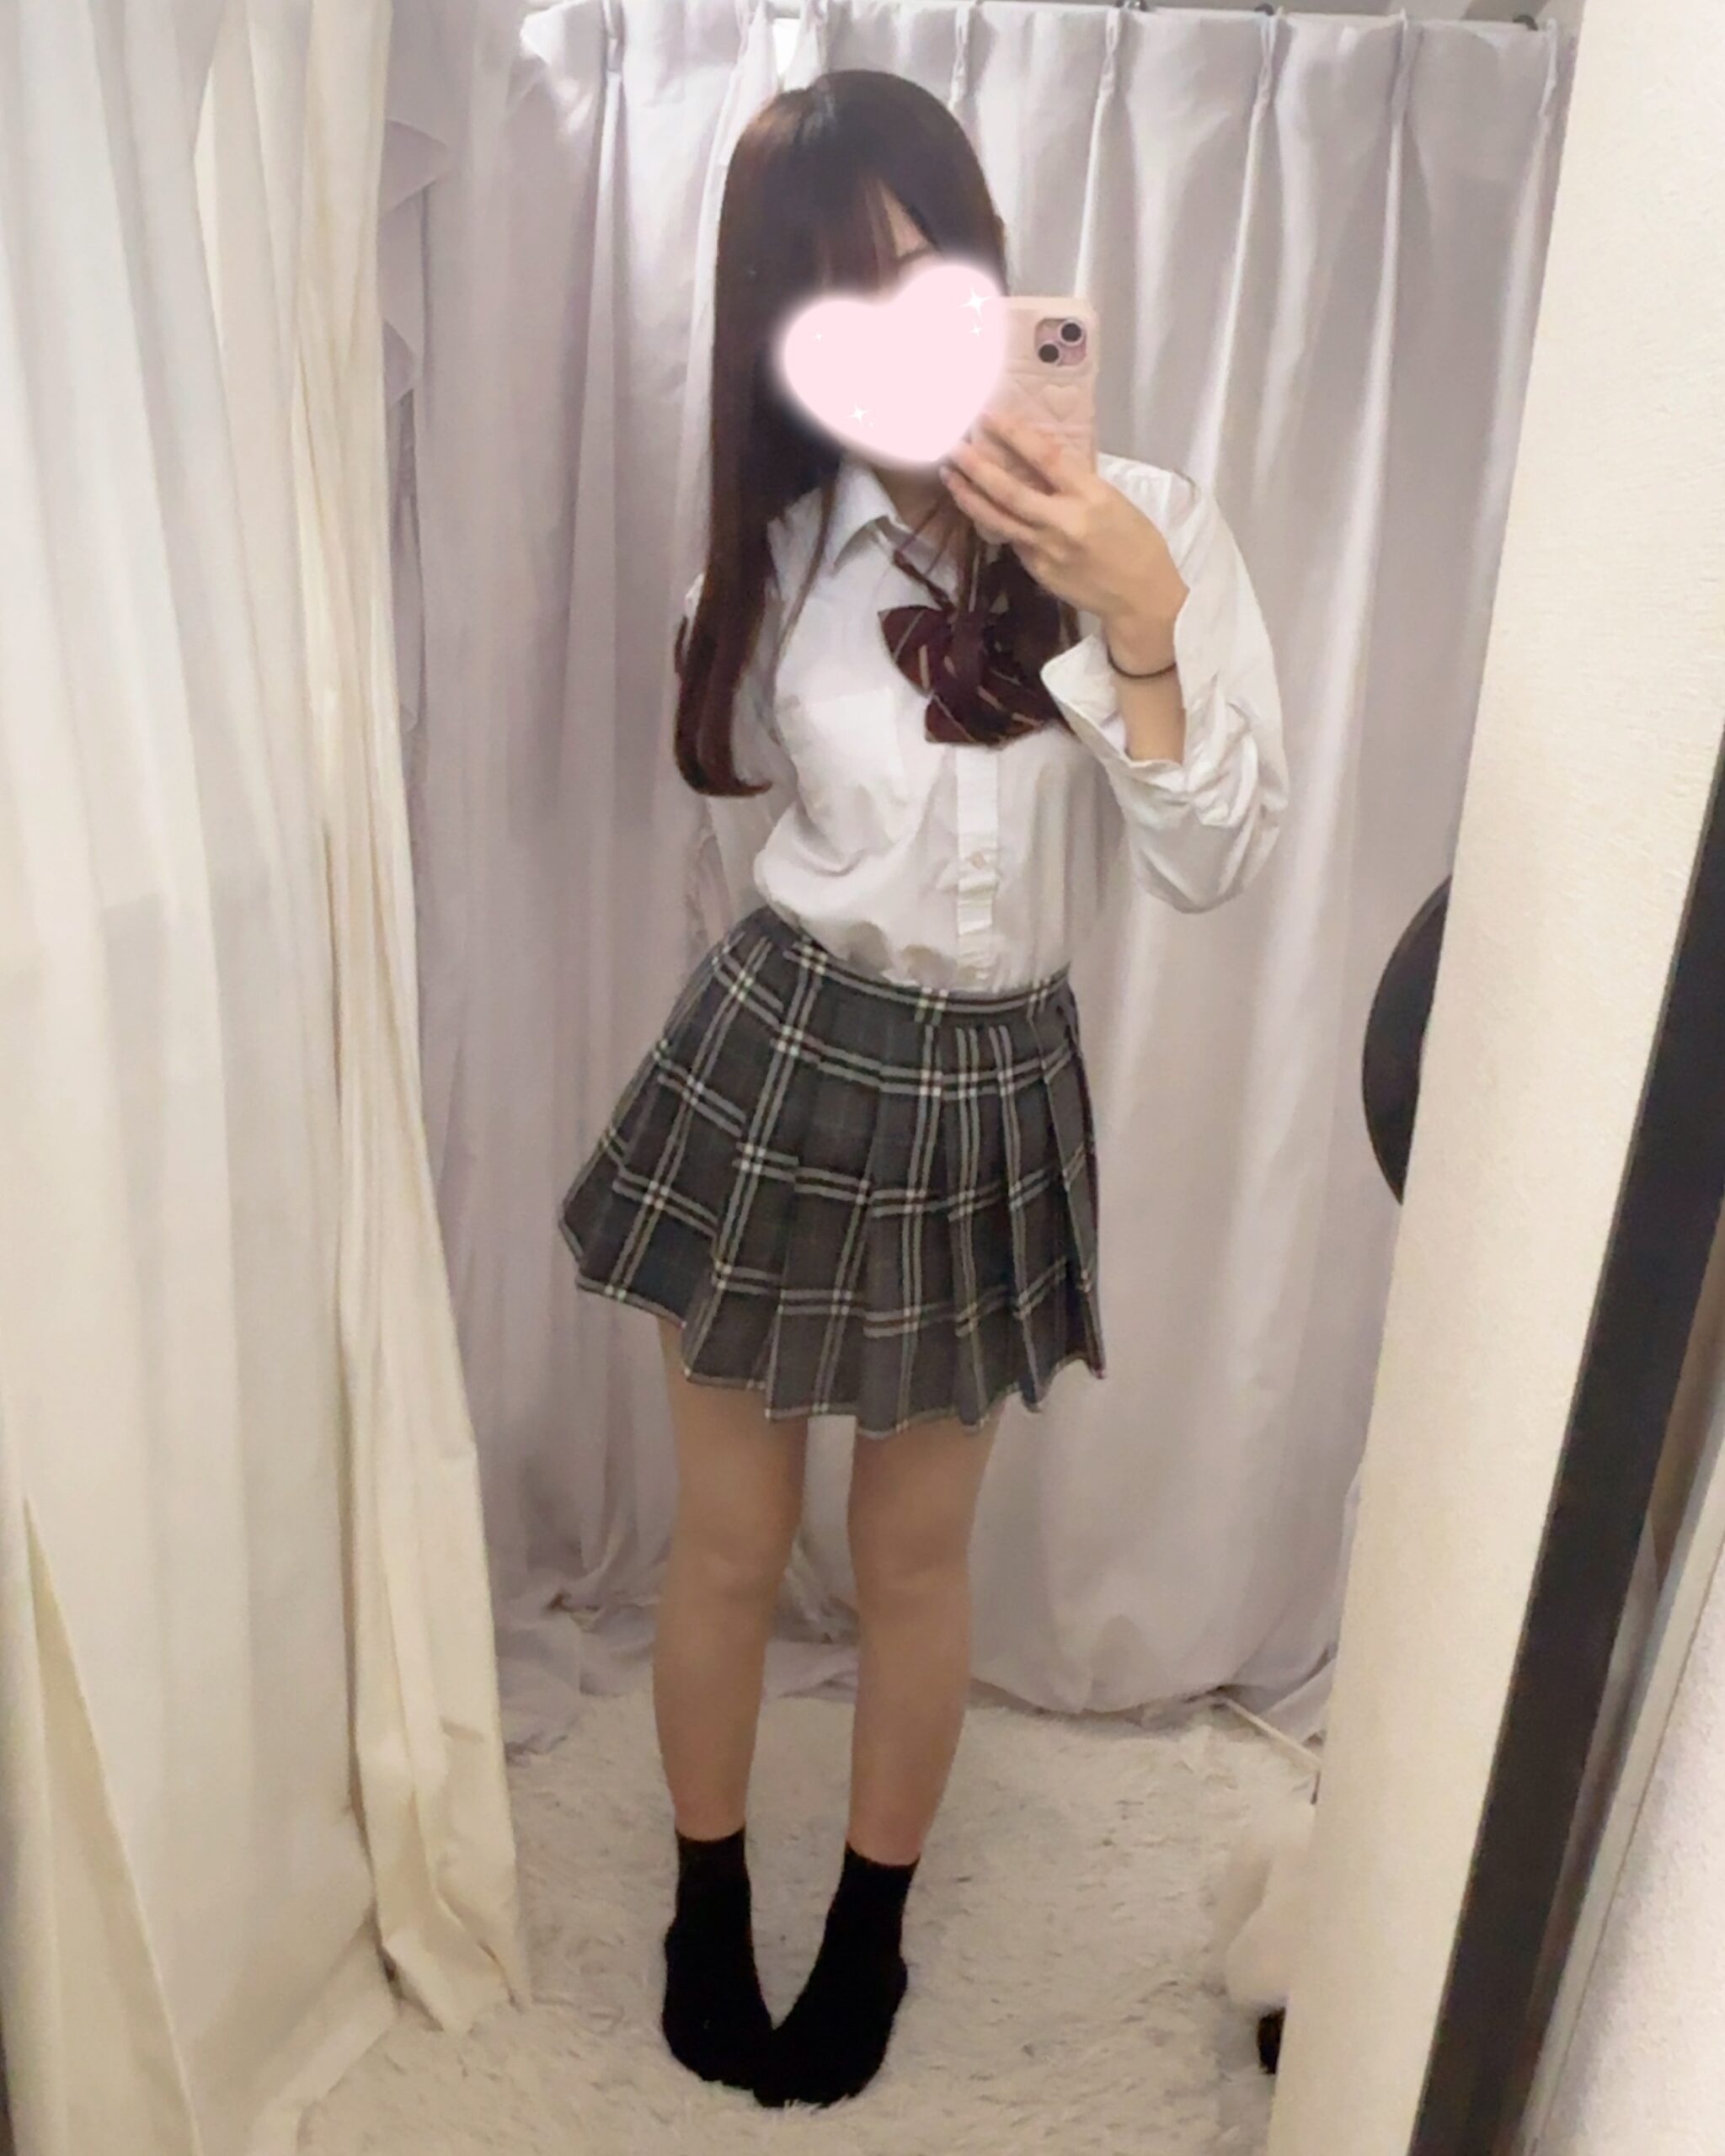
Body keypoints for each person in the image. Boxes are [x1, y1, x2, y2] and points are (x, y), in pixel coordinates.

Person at [560, 69, 1288, 2111]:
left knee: (911, 1550)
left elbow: (1213, 861)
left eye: (920, 268)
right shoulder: (774, 557)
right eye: (830, 293)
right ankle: (706, 1901)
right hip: (785, 1043)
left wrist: (1134, 619)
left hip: (991, 1078)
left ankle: (869, 1925)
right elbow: (746, 842)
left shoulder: (1149, 525)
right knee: (726, 1539)